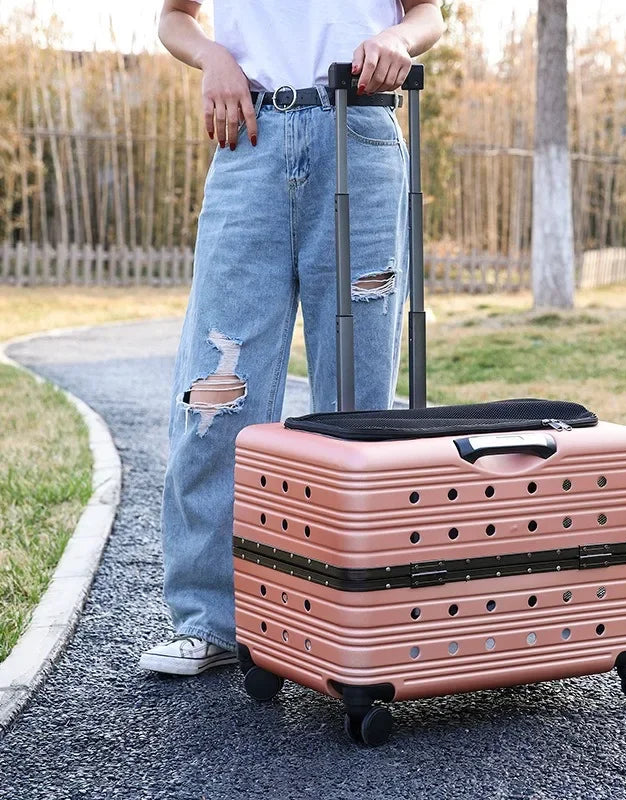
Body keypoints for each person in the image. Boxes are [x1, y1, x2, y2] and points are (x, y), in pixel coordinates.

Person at [140, 0, 444, 675]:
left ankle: (351, 611)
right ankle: (210, 618)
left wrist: (396, 36)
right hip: (249, 138)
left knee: (358, 401)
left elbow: (430, 14)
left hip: (359, 134)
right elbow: (174, 16)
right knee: (216, 394)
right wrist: (213, 57)